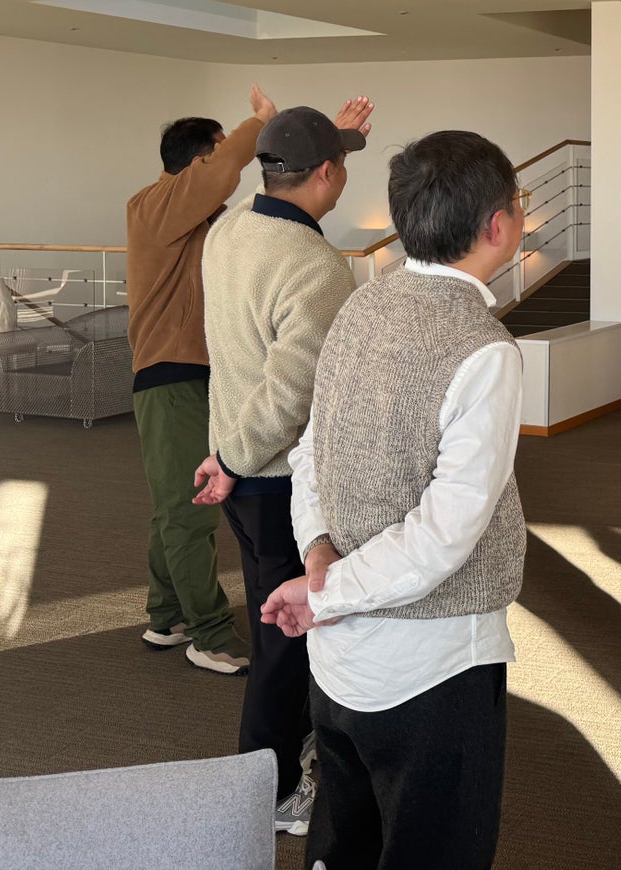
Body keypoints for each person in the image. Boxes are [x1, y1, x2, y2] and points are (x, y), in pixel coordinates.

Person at [262, 129, 529, 870]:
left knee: (344, 846)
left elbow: (310, 453)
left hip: (338, 659)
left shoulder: (362, 307)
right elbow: (444, 536)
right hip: (434, 665)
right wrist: (328, 589)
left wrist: (318, 557)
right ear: (498, 225)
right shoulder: (484, 349)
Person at [193, 99, 374, 837]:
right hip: (270, 479)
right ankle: (269, 791)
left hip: (235, 467)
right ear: (326, 174)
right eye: (341, 162)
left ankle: (282, 762)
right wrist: (235, 461)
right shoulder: (316, 268)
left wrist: (224, 458)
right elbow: (290, 392)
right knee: (286, 644)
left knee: (274, 627)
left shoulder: (231, 229)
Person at [124, 86, 277, 676]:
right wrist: (259, 123)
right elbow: (218, 174)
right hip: (169, 377)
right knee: (191, 508)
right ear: (198, 162)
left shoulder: (201, 219)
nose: (228, 172)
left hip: (198, 375)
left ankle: (166, 616)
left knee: (175, 504)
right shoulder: (154, 204)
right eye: (219, 154)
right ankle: (209, 634)